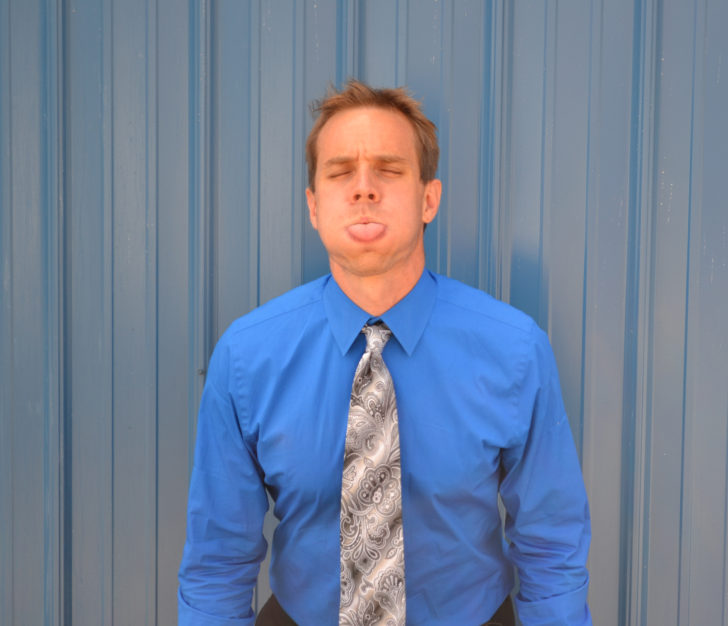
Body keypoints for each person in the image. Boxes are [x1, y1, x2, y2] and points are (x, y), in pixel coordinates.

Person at [177, 80, 591, 625]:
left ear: (428, 199)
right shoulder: (247, 358)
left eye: (389, 170)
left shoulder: (515, 351)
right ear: (313, 206)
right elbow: (217, 559)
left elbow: (551, 544)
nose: (364, 189)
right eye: (340, 172)